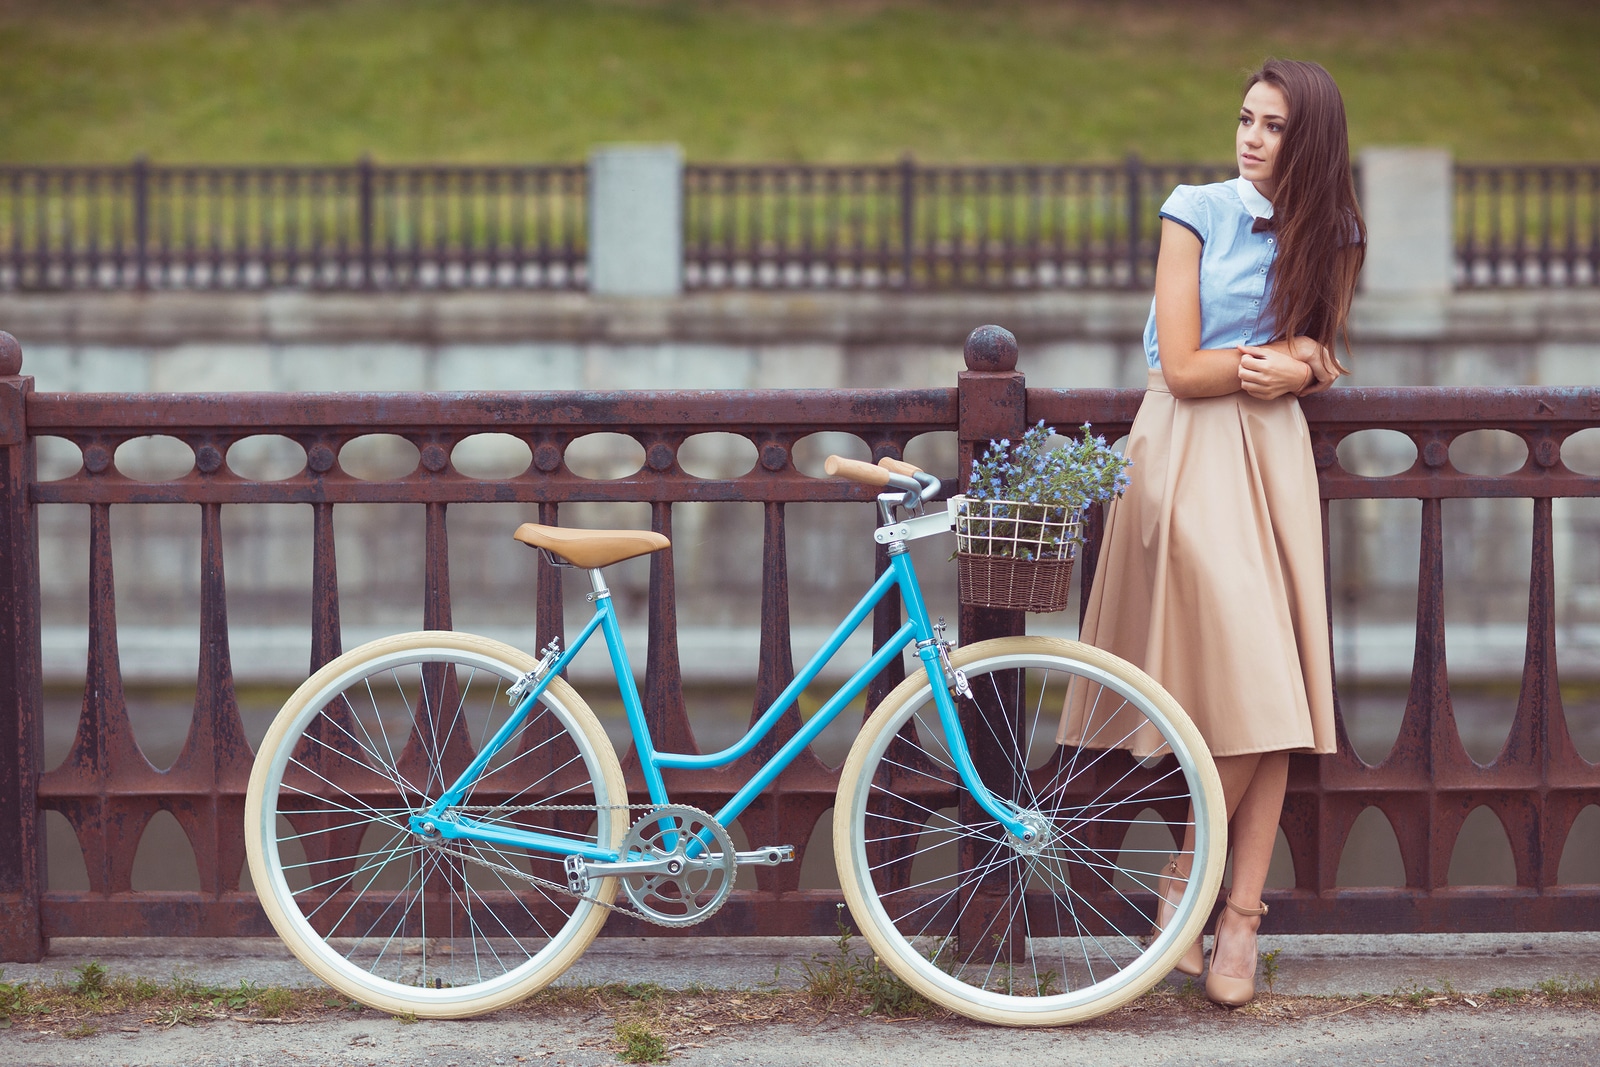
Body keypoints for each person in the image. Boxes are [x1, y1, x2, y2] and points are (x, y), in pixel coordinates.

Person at [1057, 58, 1364, 1007]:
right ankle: (1195, 899)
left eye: (1272, 125)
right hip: (1188, 449)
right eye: (1244, 119)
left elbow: (1329, 342)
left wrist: (1309, 367)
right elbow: (1186, 365)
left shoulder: (1336, 230)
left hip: (1272, 455)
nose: (1250, 137)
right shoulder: (1194, 207)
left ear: (1306, 140)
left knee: (1271, 695)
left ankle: (1233, 915)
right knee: (1263, 675)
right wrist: (1276, 364)